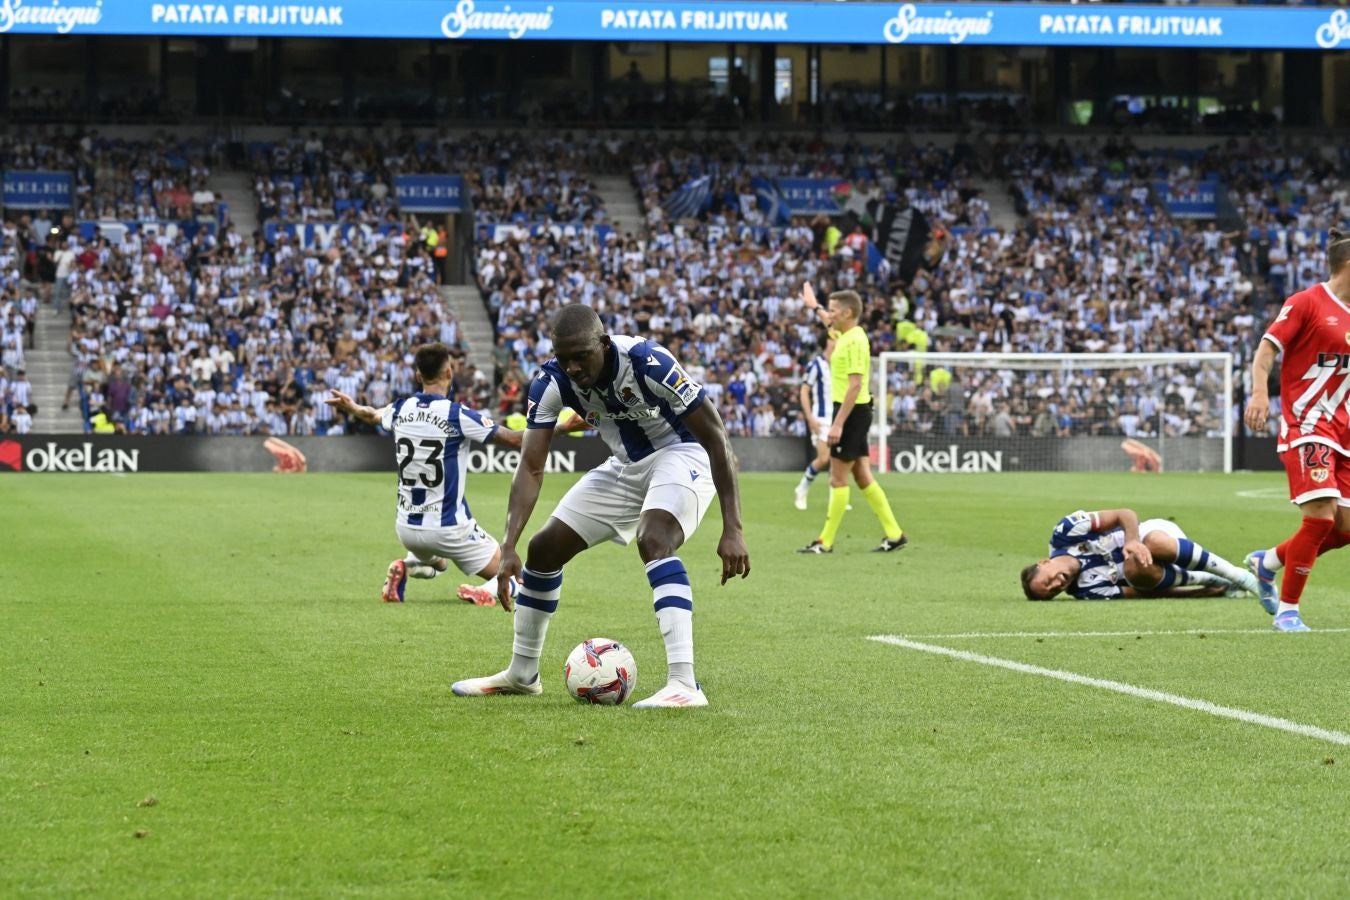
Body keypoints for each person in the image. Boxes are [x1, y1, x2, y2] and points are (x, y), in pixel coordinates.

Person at [451, 303, 750, 709]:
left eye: (581, 356)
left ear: (604, 344)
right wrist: (508, 546)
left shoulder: (648, 361)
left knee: (655, 538)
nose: (572, 367)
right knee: (542, 550)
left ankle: (684, 684)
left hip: (683, 453)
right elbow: (531, 466)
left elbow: (717, 438)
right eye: (564, 357)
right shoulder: (550, 381)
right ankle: (522, 674)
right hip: (625, 464)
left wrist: (732, 527)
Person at [325, 341, 524, 607]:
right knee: (523, 577)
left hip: (407, 528)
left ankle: (406, 566)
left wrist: (352, 408)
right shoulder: (457, 414)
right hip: (450, 528)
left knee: (437, 562)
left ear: (418, 375)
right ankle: (485, 593)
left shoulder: (400, 409)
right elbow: (514, 439)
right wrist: (561, 427)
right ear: (449, 373)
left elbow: (372, 415)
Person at [1243, 228, 1350, 632]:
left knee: (1345, 529)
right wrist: (1258, 394)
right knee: (1320, 518)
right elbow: (1266, 350)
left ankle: (1266, 562)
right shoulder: (1307, 302)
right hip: (1308, 424)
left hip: (1344, 432)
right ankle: (1288, 611)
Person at [796, 284, 907, 554]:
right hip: (854, 411)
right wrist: (815, 306)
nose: (829, 315)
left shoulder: (856, 340)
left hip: (852, 412)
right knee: (862, 475)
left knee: (837, 478)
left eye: (834, 310)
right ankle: (894, 534)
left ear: (847, 312)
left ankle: (825, 541)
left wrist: (837, 424)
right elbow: (827, 320)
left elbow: (855, 385)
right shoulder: (843, 333)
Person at [1020, 508, 1260, 601]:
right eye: (1052, 592)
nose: (1056, 585)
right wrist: (1201, 593)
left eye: (1047, 581)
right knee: (1133, 567)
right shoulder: (1087, 592)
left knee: (1153, 544)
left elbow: (1124, 514)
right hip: (1151, 573)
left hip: (1152, 533)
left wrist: (1132, 540)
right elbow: (1143, 593)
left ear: (1044, 562)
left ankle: (1236, 576)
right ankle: (1211, 579)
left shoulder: (1066, 532)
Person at [793, 347, 832, 511]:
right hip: (821, 418)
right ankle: (802, 488)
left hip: (837, 418)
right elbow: (804, 390)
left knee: (837, 460)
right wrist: (809, 417)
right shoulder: (815, 364)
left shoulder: (840, 363)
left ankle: (835, 500)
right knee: (824, 458)